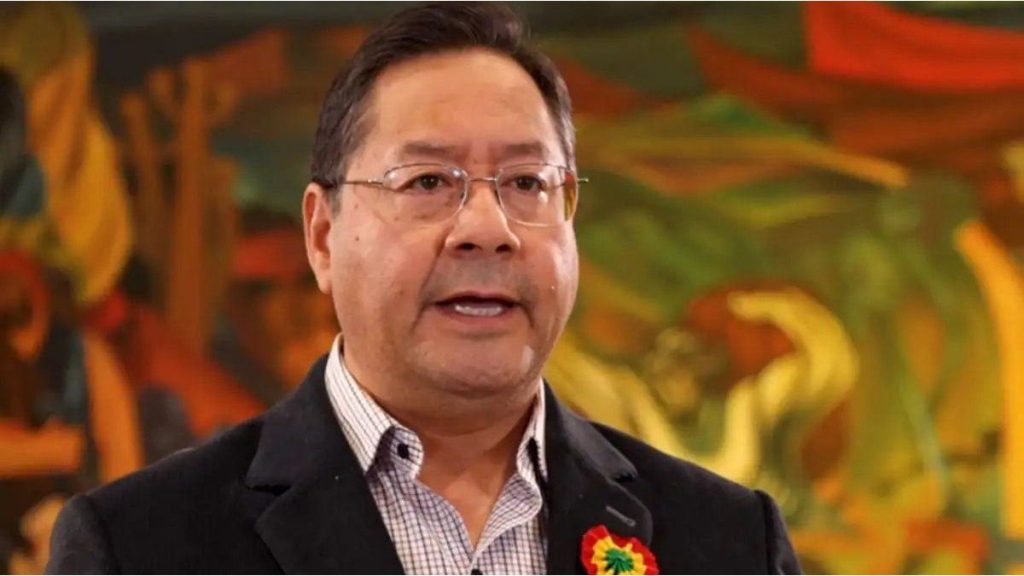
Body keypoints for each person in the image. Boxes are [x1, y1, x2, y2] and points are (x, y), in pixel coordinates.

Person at [46, 3, 801, 574]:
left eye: (527, 182)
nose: (488, 228)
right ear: (322, 236)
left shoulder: (729, 541)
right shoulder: (139, 545)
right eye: (428, 181)